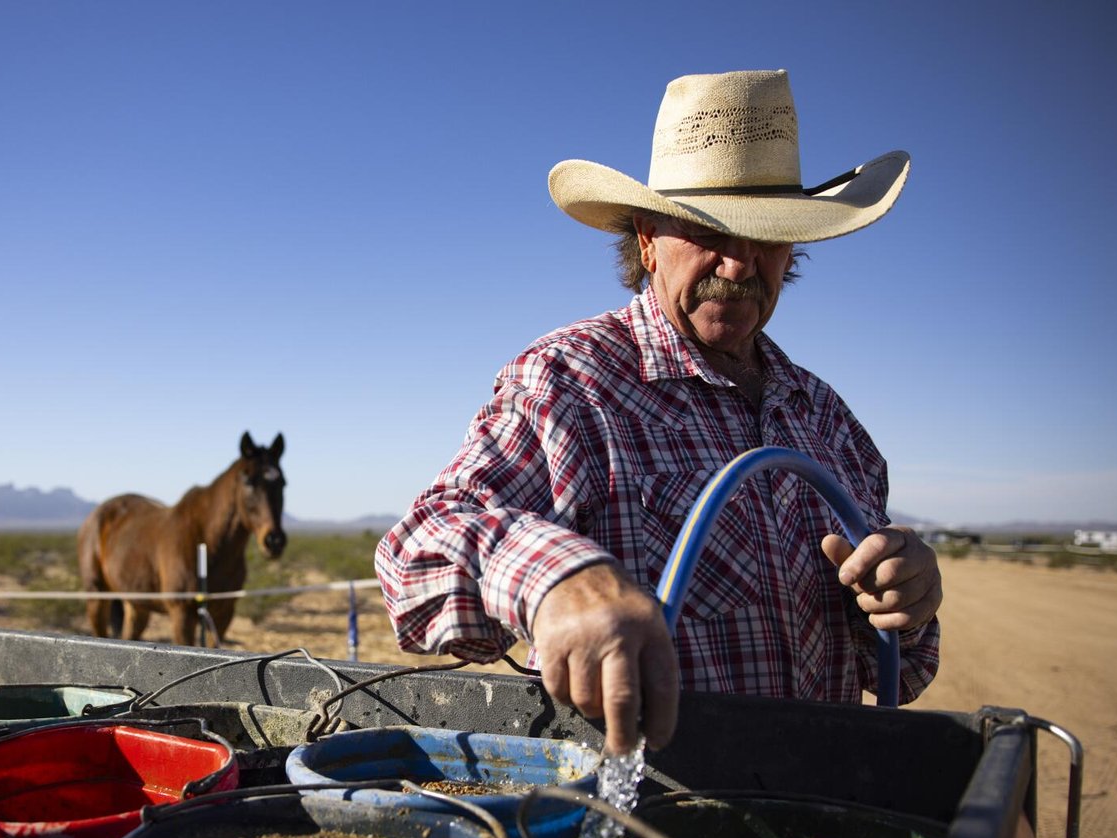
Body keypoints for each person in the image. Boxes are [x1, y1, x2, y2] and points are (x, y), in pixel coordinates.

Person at [375, 70, 942, 754]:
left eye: (767, 236)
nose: (738, 265)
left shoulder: (827, 421)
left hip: (816, 794)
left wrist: (908, 601)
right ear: (647, 238)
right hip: (649, 802)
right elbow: (419, 550)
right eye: (706, 231)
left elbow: (899, 672)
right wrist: (558, 580)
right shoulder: (573, 381)